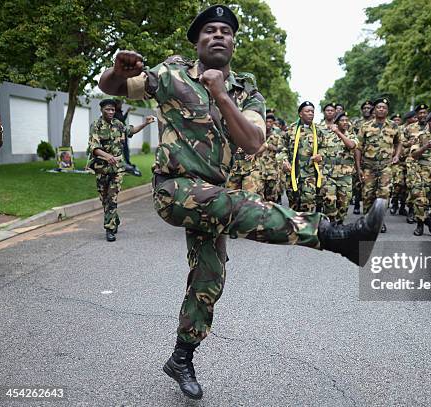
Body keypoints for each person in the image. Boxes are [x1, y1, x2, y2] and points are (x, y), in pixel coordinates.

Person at [98, 5, 385, 399]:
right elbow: (111, 87)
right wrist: (118, 69)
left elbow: (252, 141)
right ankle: (335, 236)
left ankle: (181, 357)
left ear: (233, 42)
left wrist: (219, 93)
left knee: (209, 280)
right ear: (197, 42)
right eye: (209, 31)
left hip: (212, 195)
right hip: (176, 190)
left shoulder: (247, 90)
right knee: (240, 206)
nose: (218, 35)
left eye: (225, 31)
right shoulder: (170, 73)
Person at [87, 99, 153, 241]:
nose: (111, 112)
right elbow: (94, 147)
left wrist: (145, 123)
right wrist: (107, 156)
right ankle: (114, 219)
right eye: (108, 110)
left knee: (112, 197)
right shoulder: (96, 126)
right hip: (101, 168)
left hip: (117, 168)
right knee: (104, 199)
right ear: (102, 110)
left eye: (112, 110)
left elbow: (131, 130)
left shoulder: (118, 124)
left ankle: (109, 229)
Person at [356, 97, 402, 233]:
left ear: (387, 111)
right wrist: (358, 168)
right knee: (368, 195)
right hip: (368, 167)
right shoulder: (365, 126)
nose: (381, 109)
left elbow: (399, 142)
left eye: (384, 108)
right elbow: (358, 147)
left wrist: (397, 155)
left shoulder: (394, 126)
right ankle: (367, 221)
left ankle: (379, 222)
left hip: (385, 167)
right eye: (378, 107)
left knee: (383, 196)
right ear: (374, 110)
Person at [283, 101, 326, 211]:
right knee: (293, 204)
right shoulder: (290, 130)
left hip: (310, 173)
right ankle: (295, 227)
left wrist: (320, 155)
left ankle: (308, 227)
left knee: (309, 202)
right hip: (293, 172)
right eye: (307, 111)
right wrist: (284, 161)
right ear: (300, 114)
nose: (311, 113)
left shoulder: (318, 131)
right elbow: (281, 147)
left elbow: (324, 148)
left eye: (312, 111)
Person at [321, 112, 357, 223]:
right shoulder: (327, 136)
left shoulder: (351, 135)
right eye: (342, 120)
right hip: (329, 175)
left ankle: (340, 223)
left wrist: (338, 132)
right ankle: (330, 224)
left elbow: (351, 146)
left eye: (347, 120)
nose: (345, 122)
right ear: (337, 122)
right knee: (329, 201)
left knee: (344, 204)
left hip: (345, 176)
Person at [351, 100, 374, 215]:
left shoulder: (376, 122)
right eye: (364, 108)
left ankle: (372, 210)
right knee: (358, 181)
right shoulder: (357, 123)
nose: (366, 109)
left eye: (369, 107)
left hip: (372, 157)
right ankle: (356, 204)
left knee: (370, 184)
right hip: (358, 154)